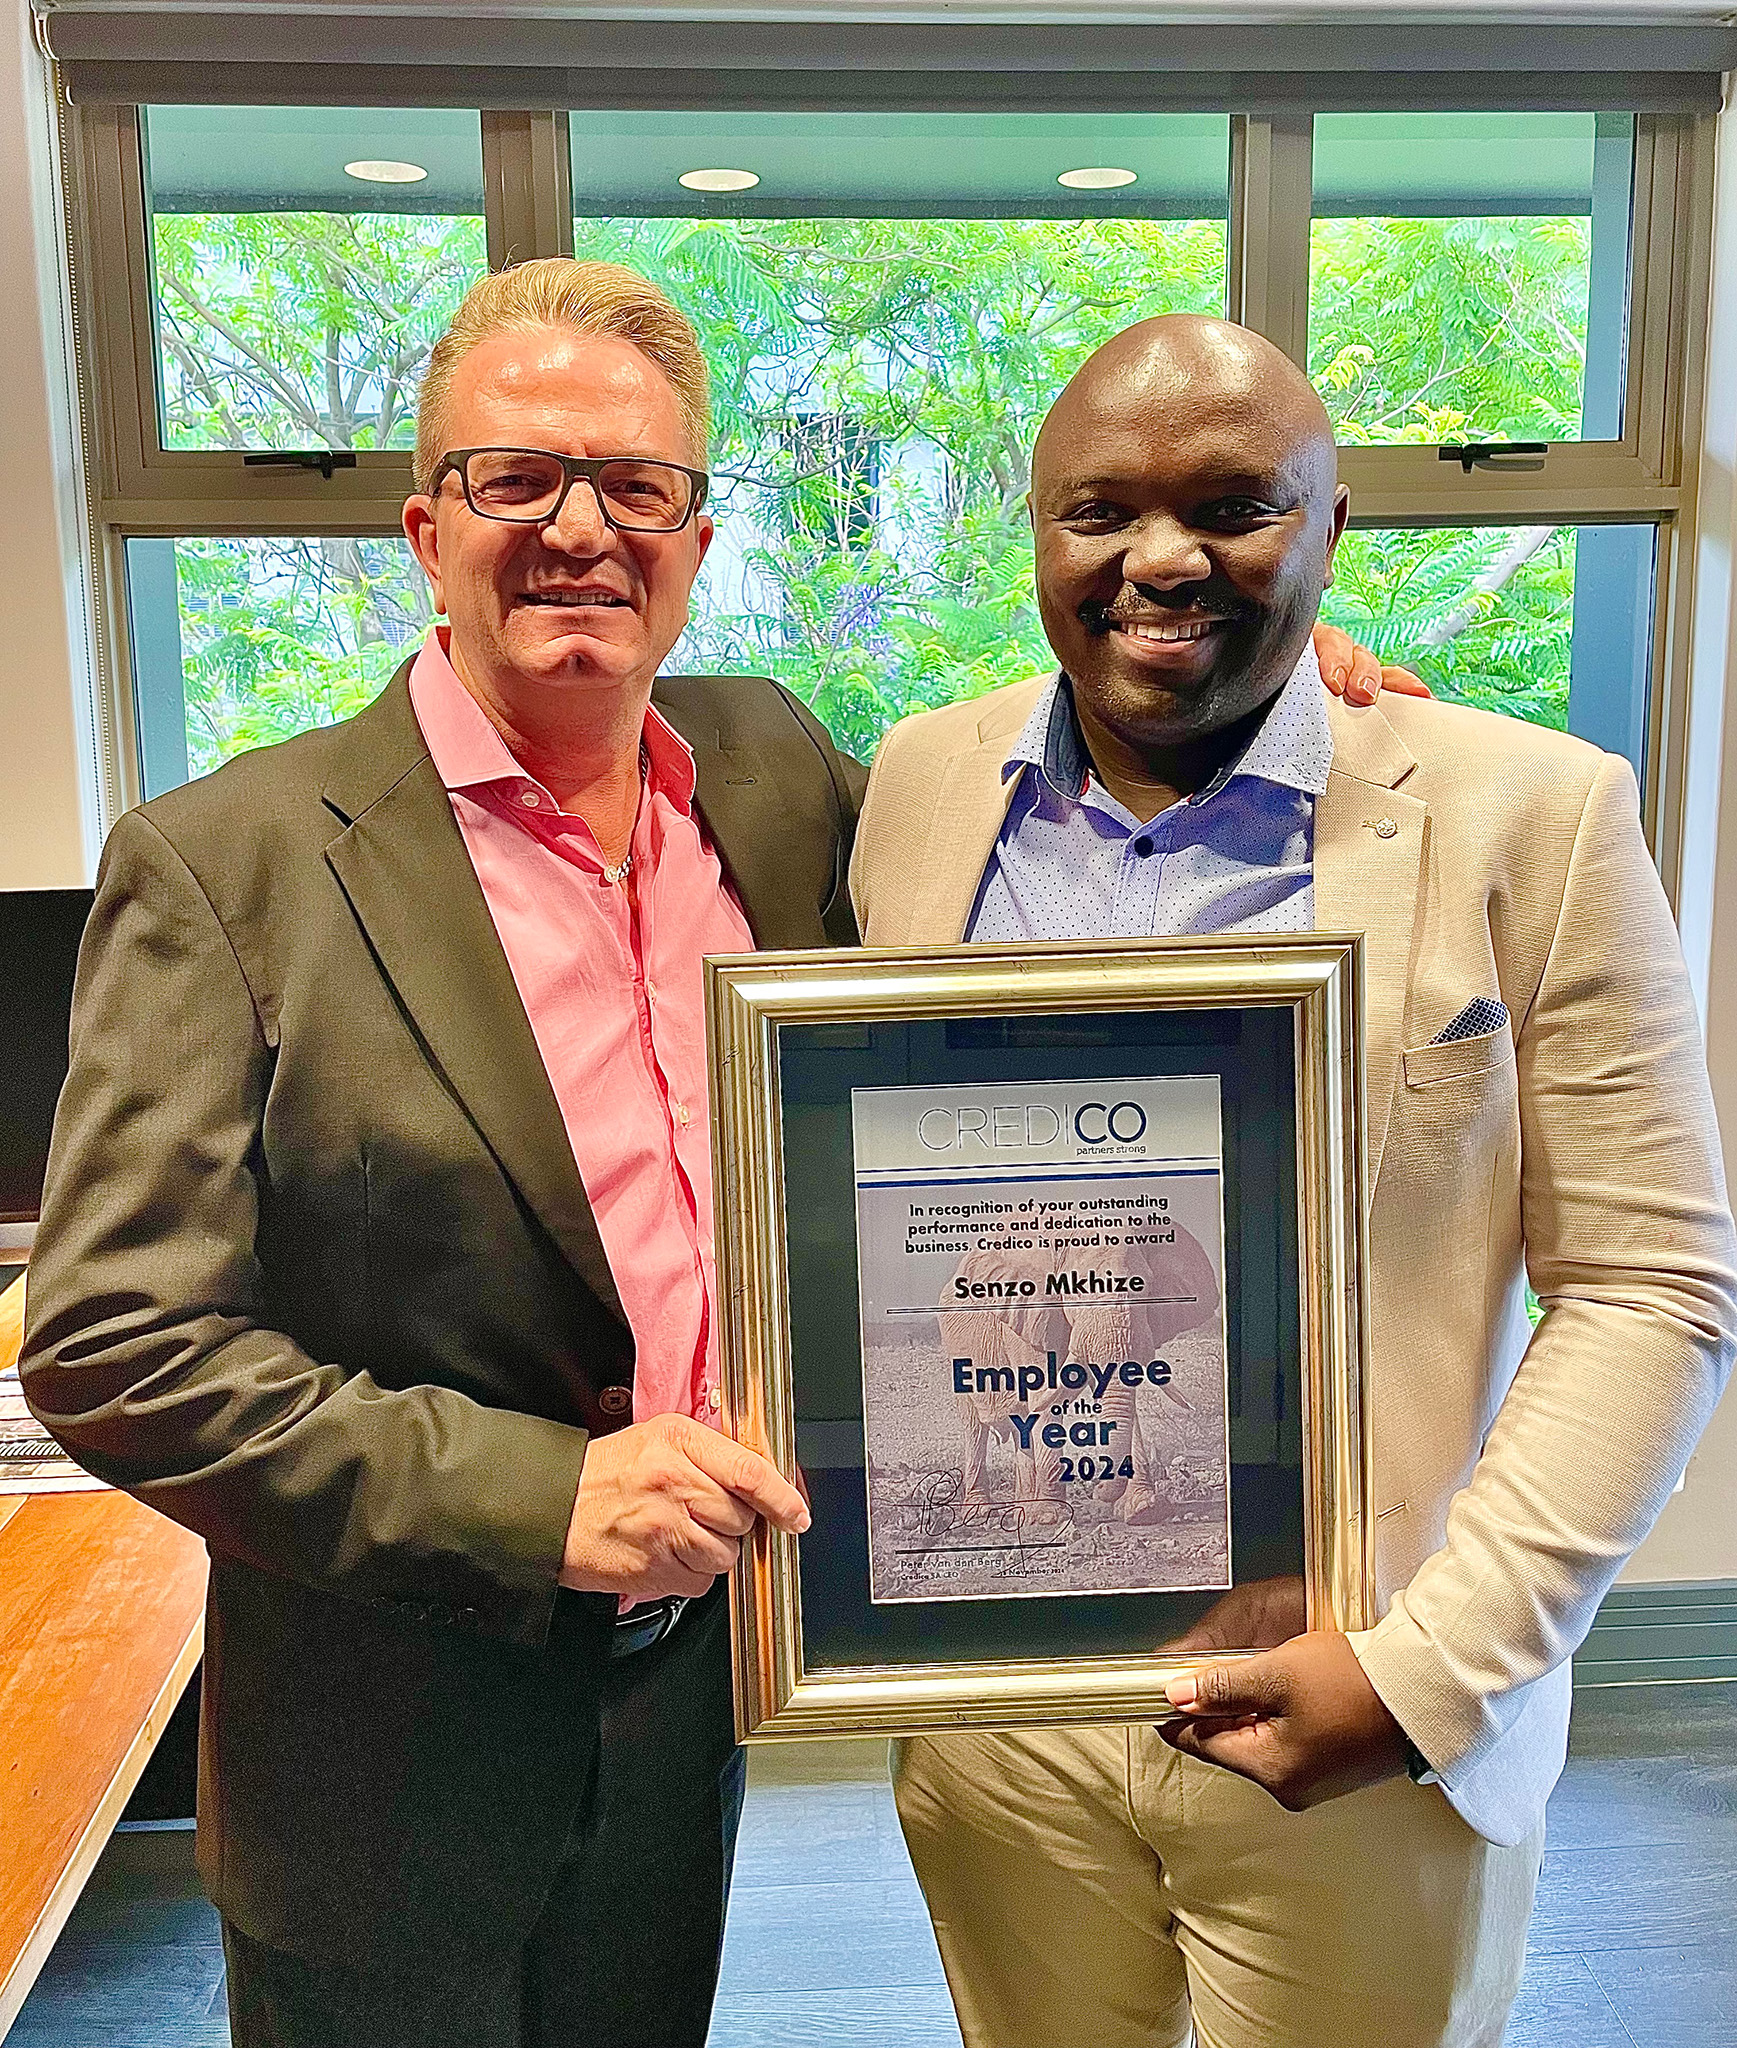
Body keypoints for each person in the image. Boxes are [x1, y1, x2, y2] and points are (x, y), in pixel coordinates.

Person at [20, 248, 1408, 2045]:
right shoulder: (232, 864)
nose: (578, 528)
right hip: (388, 1768)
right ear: (424, 528)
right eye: (516, 479)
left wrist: (1282, 671)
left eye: (637, 486)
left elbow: (1057, 768)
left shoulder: (770, 773)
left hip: (690, 1710)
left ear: (694, 533)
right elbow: (116, 1349)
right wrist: (540, 1499)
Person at [850, 313, 1737, 2048]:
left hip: (1361, 1719)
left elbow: (1653, 1289)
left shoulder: (1531, 813)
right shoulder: (913, 786)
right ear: (1035, 534)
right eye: (1098, 510)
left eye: (1237, 506)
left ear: (1333, 533)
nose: (1160, 558)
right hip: (997, 1716)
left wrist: (1423, 1680)